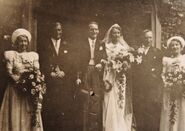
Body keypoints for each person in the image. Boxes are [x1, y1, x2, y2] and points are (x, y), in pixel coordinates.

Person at [0, 28, 43, 131]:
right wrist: (20, 82)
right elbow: (9, 72)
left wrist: (34, 84)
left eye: (25, 41)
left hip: (29, 92)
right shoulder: (12, 55)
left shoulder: (33, 55)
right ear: (16, 42)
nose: (23, 43)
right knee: (15, 114)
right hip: (15, 90)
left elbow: (37, 72)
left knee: (29, 116)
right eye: (21, 41)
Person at [39, 22, 75, 131]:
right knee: (51, 108)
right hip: (51, 81)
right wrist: (49, 72)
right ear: (51, 31)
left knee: (63, 107)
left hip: (64, 81)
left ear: (62, 30)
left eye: (59, 30)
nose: (57, 32)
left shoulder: (67, 44)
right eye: (55, 30)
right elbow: (42, 61)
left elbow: (71, 62)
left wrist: (64, 72)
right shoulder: (44, 44)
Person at [76, 21, 107, 131]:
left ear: (98, 31)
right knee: (86, 96)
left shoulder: (101, 44)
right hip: (86, 72)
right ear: (88, 31)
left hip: (96, 74)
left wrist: (101, 63)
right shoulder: (82, 43)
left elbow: (105, 58)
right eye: (91, 29)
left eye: (96, 29)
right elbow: (77, 62)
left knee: (95, 97)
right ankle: (84, 127)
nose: (94, 31)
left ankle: (93, 128)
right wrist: (78, 76)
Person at [102, 24, 133, 131]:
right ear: (111, 34)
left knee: (120, 98)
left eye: (118, 33)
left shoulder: (123, 48)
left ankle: (120, 125)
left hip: (121, 77)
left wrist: (123, 66)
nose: (116, 35)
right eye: (114, 33)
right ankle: (110, 125)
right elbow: (103, 60)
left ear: (120, 34)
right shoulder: (106, 46)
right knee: (109, 97)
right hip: (110, 75)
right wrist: (110, 64)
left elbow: (128, 64)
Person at [132, 29, 163, 131]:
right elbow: (133, 69)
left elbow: (159, 69)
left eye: (150, 37)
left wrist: (152, 75)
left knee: (151, 110)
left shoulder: (157, 52)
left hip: (151, 86)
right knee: (139, 109)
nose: (148, 40)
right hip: (139, 86)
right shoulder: (136, 51)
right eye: (146, 37)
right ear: (142, 38)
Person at [160, 36, 185, 131]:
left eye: (177, 45)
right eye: (172, 45)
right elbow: (163, 74)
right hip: (169, 90)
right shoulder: (166, 60)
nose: (174, 47)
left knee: (181, 111)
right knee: (169, 111)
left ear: (181, 47)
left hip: (181, 91)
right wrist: (167, 84)